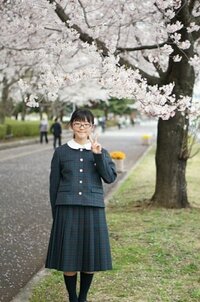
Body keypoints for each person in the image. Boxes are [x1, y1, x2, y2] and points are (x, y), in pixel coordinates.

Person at [45, 109, 117, 302]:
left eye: (86, 124)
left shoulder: (101, 151)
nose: (82, 127)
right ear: (71, 126)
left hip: (93, 208)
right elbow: (54, 186)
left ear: (92, 127)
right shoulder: (60, 152)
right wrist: (56, 213)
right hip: (66, 208)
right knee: (69, 258)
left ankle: (83, 298)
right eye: (78, 123)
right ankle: (72, 297)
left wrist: (98, 155)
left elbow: (109, 178)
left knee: (89, 255)